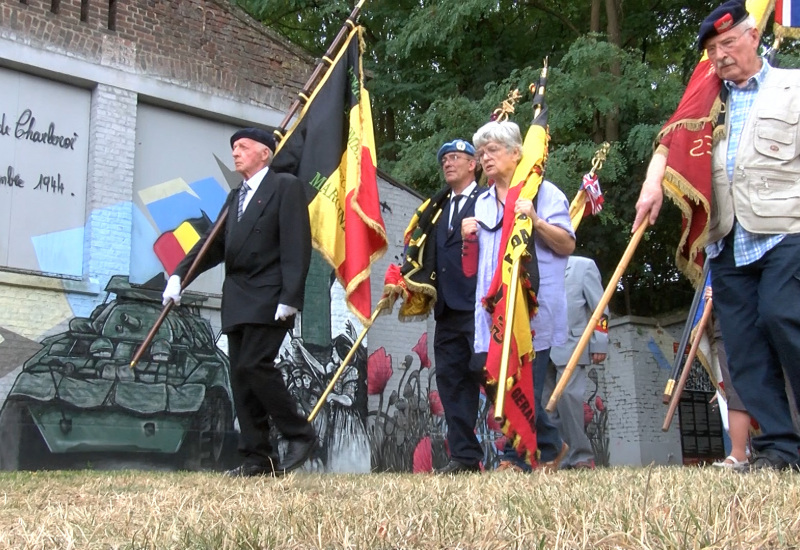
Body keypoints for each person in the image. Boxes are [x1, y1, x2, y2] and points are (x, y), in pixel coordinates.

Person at [633, 1, 800, 471]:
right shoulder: (707, 100)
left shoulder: (794, 86)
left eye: (728, 42)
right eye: (711, 48)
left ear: (754, 37)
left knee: (784, 318)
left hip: (786, 229)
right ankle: (781, 449)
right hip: (726, 238)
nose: (720, 55)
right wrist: (652, 184)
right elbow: (673, 142)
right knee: (744, 348)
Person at [162, 127, 317, 477]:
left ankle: (300, 433)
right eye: (233, 148)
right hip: (237, 298)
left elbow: (297, 243)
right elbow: (210, 244)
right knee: (240, 378)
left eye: (243, 147)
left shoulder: (284, 187)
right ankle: (258, 458)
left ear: (265, 153)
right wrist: (179, 276)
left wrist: (291, 296)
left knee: (254, 365)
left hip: (269, 295)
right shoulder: (235, 197)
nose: (235, 153)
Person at [462, 120, 575, 472]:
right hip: (492, 311)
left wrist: (536, 221)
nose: (484, 158)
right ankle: (551, 443)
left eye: (492, 150)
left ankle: (518, 459)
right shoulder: (480, 202)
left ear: (516, 153)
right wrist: (467, 239)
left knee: (524, 378)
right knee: (493, 375)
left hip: (531, 309)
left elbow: (567, 244)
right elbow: (472, 268)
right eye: (481, 153)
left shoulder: (545, 193)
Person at [428, 139, 484, 474]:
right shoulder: (437, 207)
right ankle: (464, 456)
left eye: (456, 158)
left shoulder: (487, 200)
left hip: (479, 306)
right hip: (447, 309)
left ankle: (521, 449)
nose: (448, 163)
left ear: (473, 164)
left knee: (490, 376)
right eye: (445, 159)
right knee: (451, 382)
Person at [544, 255, 608, 470]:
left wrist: (599, 342)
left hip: (573, 345)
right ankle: (557, 458)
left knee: (569, 399)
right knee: (545, 407)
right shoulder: (534, 266)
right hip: (541, 346)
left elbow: (600, 307)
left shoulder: (583, 266)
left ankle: (581, 456)